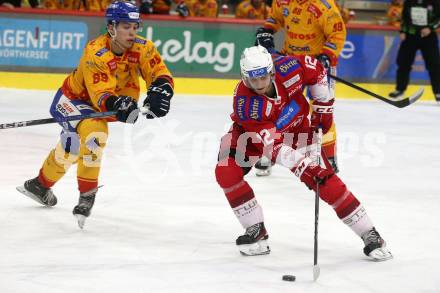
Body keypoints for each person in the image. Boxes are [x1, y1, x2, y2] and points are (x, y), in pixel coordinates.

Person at [215, 45, 392, 261]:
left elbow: (317, 71)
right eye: (253, 80)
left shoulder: (288, 67)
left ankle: (369, 233)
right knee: (225, 171)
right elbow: (275, 149)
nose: (259, 85)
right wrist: (305, 168)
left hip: (297, 128)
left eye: (263, 78)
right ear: (245, 78)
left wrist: (323, 107)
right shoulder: (247, 103)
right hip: (249, 135)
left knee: (326, 181)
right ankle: (256, 230)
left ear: (271, 72)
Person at [16, 1, 174, 229]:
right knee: (94, 134)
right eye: (126, 26)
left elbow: (159, 72)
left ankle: (39, 185)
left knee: (70, 148)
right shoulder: (95, 52)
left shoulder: (143, 48)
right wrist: (118, 103)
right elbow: (101, 96)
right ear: (111, 27)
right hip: (72, 100)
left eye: (135, 26)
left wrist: (161, 91)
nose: (132, 32)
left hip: (97, 107)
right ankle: (86, 195)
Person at [253, 0, 347, 176]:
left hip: (318, 64)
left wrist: (326, 55)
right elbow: (276, 18)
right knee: (279, 107)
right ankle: (271, 152)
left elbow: (337, 32)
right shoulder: (282, 1)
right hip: (291, 63)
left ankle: (329, 157)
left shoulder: (323, 5)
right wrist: (267, 30)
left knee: (323, 110)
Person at [388, 0, 440, 103]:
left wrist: (430, 28)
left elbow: (439, 18)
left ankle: (438, 92)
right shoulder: (409, 1)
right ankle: (400, 90)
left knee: (435, 65)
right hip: (410, 36)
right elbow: (404, 18)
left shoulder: (435, 2)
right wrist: (402, 31)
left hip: (428, 37)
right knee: (403, 63)